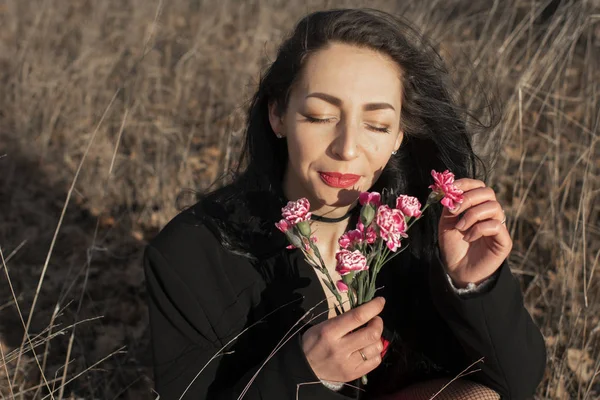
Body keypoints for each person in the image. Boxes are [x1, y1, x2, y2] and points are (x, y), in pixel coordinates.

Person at [143, 8, 546, 400]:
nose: (348, 148)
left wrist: (472, 283)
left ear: (399, 137)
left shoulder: (419, 220)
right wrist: (306, 374)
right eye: (320, 116)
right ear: (278, 115)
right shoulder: (190, 255)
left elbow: (513, 384)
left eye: (377, 125)